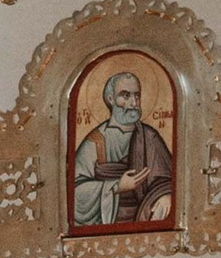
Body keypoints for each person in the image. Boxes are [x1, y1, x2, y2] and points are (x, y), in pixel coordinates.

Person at [71, 69, 176, 230]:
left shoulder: (149, 137)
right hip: (106, 222)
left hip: (145, 216)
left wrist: (166, 197)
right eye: (125, 96)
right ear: (111, 98)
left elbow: (169, 181)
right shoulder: (97, 140)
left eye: (137, 96)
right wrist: (117, 186)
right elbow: (74, 192)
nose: (134, 103)